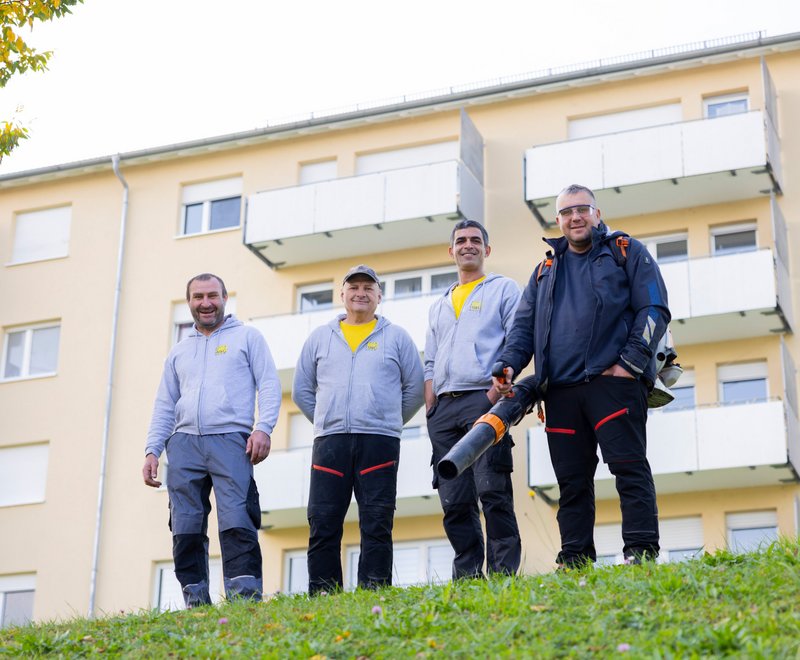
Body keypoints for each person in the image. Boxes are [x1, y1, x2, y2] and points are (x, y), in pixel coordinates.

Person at [493, 184, 671, 567]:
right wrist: (508, 365)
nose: (575, 217)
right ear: (557, 220)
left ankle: (641, 551)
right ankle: (574, 559)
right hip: (560, 392)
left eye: (582, 209)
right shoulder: (544, 271)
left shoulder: (625, 251)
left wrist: (628, 365)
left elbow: (654, 309)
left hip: (614, 384)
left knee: (629, 468)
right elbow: (523, 328)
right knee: (571, 483)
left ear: (597, 214)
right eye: (567, 212)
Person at [143, 273, 281, 607]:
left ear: (224, 298)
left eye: (212, 296)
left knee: (237, 520)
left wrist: (263, 428)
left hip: (232, 440)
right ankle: (195, 602)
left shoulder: (247, 337)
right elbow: (164, 404)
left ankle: (244, 600)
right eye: (198, 297)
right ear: (189, 302)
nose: (206, 303)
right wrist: (152, 450)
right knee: (185, 527)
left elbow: (269, 384)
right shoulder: (179, 351)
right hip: (184, 445)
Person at [292, 264, 424, 594]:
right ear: (342, 294)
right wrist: (327, 420)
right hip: (330, 442)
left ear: (380, 295)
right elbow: (301, 391)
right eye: (354, 287)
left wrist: (387, 420)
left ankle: (374, 590)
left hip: (380, 442)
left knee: (377, 520)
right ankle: (324, 592)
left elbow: (415, 389)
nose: (360, 293)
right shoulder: (320, 338)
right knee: (323, 520)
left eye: (368, 287)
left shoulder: (397, 337)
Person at [424, 220, 522, 579]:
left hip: (484, 401)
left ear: (487, 249)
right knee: (454, 499)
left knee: (493, 490)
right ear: (451, 251)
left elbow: (517, 338)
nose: (468, 245)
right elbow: (430, 360)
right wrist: (431, 404)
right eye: (461, 241)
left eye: (475, 240)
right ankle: (466, 576)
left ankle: (502, 574)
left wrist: (495, 392)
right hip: (443, 410)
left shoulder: (503, 289)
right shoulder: (439, 304)